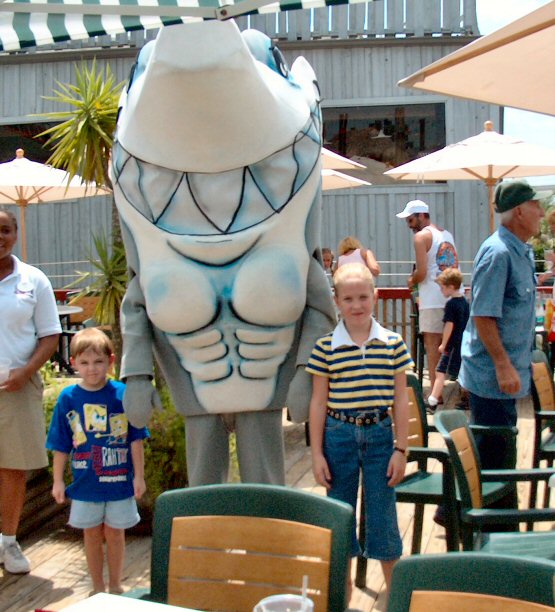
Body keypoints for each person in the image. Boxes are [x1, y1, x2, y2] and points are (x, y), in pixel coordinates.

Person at [306, 262, 412, 591]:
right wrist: (317, 455)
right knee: (340, 513)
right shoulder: (326, 347)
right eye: (348, 299)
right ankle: (343, 592)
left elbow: (401, 400)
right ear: (336, 301)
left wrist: (401, 449)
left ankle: (395, 596)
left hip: (380, 436)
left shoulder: (392, 344)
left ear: (375, 297)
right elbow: (318, 403)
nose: (356, 305)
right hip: (339, 436)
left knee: (383, 513)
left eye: (363, 297)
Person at [459, 180, 547, 516]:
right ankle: (493, 536)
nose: (541, 212)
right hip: (492, 379)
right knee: (498, 467)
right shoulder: (498, 253)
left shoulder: (520, 250)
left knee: (494, 454)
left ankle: (459, 511)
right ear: (520, 211)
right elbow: (482, 315)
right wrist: (503, 365)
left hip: (503, 379)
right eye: (536, 205)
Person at [46, 328, 148, 595]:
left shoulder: (121, 393)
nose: (92, 369)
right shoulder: (67, 397)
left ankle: (115, 585)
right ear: (73, 362)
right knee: (90, 533)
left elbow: (136, 438)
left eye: (98, 362)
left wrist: (139, 476)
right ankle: (97, 588)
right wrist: (58, 481)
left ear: (111, 361)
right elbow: (60, 443)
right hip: (84, 483)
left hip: (119, 482)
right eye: (85, 362)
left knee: (115, 533)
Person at [0, 207, 61, 574]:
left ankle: (8, 542)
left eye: (5, 230)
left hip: (17, 387)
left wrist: (26, 372)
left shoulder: (33, 280)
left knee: (13, 468)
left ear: (16, 233)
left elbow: (50, 335)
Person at [396, 200, 460, 391]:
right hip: (455, 296)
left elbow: (422, 272)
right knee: (457, 346)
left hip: (433, 298)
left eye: (410, 220)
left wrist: (411, 280)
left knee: (433, 347)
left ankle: (435, 392)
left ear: (422, 215)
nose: (409, 225)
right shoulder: (446, 234)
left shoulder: (421, 238)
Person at [425, 267, 469, 414]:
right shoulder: (464, 302)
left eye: (442, 288)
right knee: (463, 372)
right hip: (463, 342)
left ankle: (433, 401)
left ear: (451, 287)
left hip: (452, 345)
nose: (441, 291)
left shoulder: (451, 305)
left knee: (440, 372)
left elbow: (449, 325)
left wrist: (443, 344)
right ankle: (467, 399)